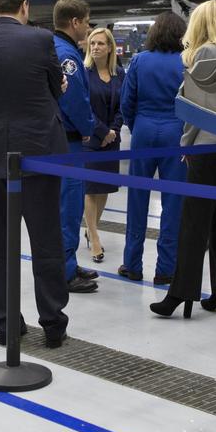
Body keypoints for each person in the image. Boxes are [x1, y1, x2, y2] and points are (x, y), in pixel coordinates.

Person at [0, 0, 69, 347]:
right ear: (24, 6)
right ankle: (53, 323)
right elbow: (55, 87)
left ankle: (4, 322)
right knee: (46, 240)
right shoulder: (41, 40)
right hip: (39, 154)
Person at [151, 0, 216, 318]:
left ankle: (181, 293)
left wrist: (186, 145)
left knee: (194, 222)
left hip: (207, 146)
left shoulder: (206, 52)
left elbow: (196, 107)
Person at [118, 11, 188, 286]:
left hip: (144, 131)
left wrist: (137, 128)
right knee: (173, 203)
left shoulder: (139, 60)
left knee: (137, 200)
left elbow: (127, 102)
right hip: (176, 132)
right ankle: (166, 268)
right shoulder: (186, 62)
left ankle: (133, 264)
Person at [52, 0, 99, 294]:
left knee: (69, 205)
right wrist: (88, 128)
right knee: (68, 208)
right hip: (69, 143)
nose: (89, 28)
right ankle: (65, 272)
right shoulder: (66, 54)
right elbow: (75, 99)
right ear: (75, 22)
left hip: (62, 141)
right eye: (87, 21)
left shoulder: (56, 48)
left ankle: (67, 260)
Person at [82, 27, 123, 265]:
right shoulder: (85, 74)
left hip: (111, 140)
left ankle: (91, 228)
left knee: (104, 188)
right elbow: (83, 106)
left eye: (100, 44)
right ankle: (94, 236)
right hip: (90, 138)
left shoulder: (119, 74)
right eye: (92, 43)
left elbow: (124, 105)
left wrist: (114, 130)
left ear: (110, 48)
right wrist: (101, 131)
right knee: (90, 189)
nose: (95, 47)